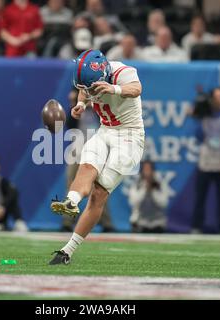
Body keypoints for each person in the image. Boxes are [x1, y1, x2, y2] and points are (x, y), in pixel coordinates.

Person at [49, 49, 144, 265]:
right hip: (105, 130)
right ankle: (71, 202)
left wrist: (114, 88)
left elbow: (137, 88)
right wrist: (81, 104)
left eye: (91, 86)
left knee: (99, 194)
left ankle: (69, 249)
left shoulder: (123, 72)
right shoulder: (88, 80)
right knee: (87, 167)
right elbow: (84, 90)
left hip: (129, 136)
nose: (86, 89)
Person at [62, 89, 115, 232]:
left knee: (101, 186)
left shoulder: (100, 106)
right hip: (77, 150)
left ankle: (106, 223)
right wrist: (76, 104)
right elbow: (70, 125)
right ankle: (67, 221)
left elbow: (107, 123)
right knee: (72, 185)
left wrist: (94, 105)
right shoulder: (78, 107)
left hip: (97, 150)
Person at [191, 87, 220, 234]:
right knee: (200, 198)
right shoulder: (204, 118)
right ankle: (197, 226)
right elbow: (198, 137)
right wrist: (197, 117)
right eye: (217, 97)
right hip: (205, 164)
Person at [129, 161, 167, 233]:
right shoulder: (137, 185)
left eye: (149, 169)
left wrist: (152, 190)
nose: (147, 172)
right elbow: (133, 203)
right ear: (141, 171)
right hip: (140, 224)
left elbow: (164, 204)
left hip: (158, 224)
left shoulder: (160, 185)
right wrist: (144, 189)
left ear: (153, 171)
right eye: (145, 169)